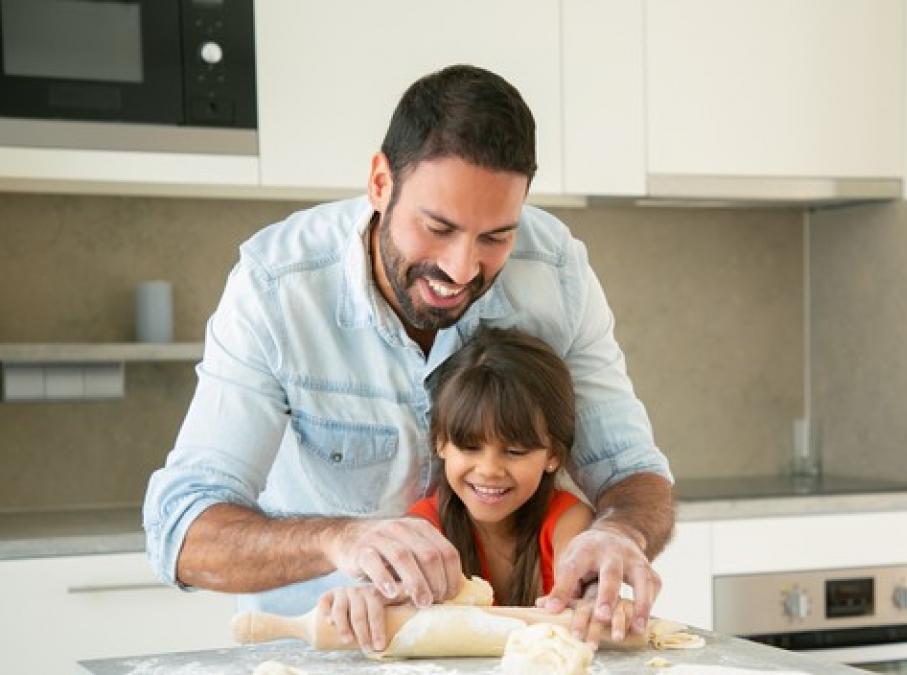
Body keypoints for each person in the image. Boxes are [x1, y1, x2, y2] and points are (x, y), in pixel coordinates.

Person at [142, 64, 674, 642]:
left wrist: (620, 534)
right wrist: (339, 538)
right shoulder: (276, 288)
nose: (461, 268)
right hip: (326, 652)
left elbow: (631, 472)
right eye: (438, 226)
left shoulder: (557, 274)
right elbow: (181, 530)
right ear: (379, 183)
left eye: (496, 237)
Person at [319, 327, 635, 652]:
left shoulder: (567, 520)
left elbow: (585, 587)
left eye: (514, 452)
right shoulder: (424, 528)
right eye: (470, 447)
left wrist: (597, 599)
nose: (488, 470)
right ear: (440, 443)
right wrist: (371, 598)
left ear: (552, 455)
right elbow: (394, 598)